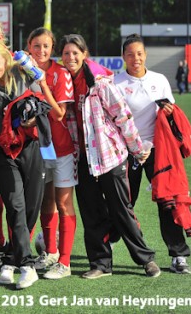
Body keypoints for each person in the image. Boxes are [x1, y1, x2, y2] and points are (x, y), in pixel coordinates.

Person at [60, 33, 161, 279]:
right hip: (82, 159)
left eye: (75, 52)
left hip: (110, 157)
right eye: (66, 53)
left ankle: (146, 258)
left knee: (121, 209)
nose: (71, 57)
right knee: (91, 213)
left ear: (84, 55)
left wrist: (137, 149)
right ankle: (100, 264)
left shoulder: (100, 82)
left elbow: (122, 116)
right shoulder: (62, 83)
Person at [0, 40, 59, 289]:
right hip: (4, 151)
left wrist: (33, 116)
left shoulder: (20, 73)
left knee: (31, 208)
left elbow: (42, 80)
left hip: (33, 148)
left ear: (6, 61)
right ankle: (26, 265)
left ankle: (11, 259)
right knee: (15, 204)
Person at [115, 34, 191, 274]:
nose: (135, 58)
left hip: (158, 151)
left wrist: (169, 111)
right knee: (124, 202)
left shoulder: (159, 80)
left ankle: (178, 255)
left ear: (145, 55)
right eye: (130, 54)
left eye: (139, 53)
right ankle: (110, 240)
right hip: (128, 151)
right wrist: (132, 146)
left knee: (168, 202)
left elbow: (171, 115)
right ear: (123, 57)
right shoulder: (115, 83)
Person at [26, 28, 78, 280]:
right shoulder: (21, 72)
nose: (42, 51)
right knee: (45, 201)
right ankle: (50, 252)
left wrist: (43, 84)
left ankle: (65, 263)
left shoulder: (60, 74)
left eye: (46, 46)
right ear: (29, 46)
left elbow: (59, 114)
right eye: (37, 46)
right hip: (36, 149)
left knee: (63, 203)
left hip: (61, 148)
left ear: (52, 48)